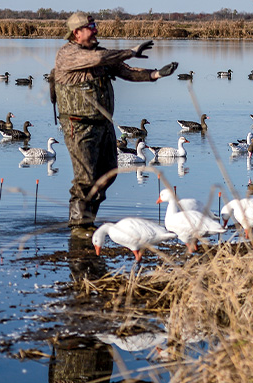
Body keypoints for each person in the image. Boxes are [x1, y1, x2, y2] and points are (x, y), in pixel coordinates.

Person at [52, 12, 178, 229]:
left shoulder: (102, 54)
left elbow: (126, 71)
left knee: (109, 173)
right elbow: (99, 59)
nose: (96, 30)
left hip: (103, 124)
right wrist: (129, 51)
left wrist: (156, 74)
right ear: (77, 32)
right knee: (85, 179)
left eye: (95, 25)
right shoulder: (67, 54)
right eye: (91, 27)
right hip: (78, 125)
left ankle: (89, 219)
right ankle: (78, 228)